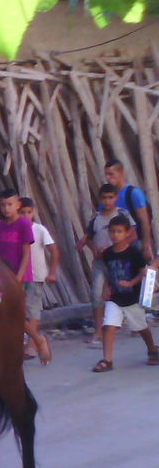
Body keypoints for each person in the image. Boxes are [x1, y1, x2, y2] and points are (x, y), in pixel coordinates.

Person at [93, 215, 159, 372]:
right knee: (108, 325)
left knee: (141, 326)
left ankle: (152, 349)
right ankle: (107, 360)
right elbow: (109, 272)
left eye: (119, 231)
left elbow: (143, 272)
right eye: (112, 231)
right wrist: (106, 288)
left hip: (132, 298)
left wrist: (131, 283)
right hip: (115, 297)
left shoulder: (134, 253)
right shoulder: (108, 253)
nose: (115, 235)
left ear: (128, 233)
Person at [77, 184, 135, 344]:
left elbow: (133, 235)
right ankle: (98, 332)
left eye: (111, 197)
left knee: (124, 292)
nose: (108, 201)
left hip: (119, 262)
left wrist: (112, 248)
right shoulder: (96, 218)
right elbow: (87, 238)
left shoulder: (122, 215)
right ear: (100, 199)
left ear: (116, 198)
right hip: (101, 263)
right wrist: (94, 249)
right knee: (96, 294)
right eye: (104, 198)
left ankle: (134, 325)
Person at [18, 197, 57, 364]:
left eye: (29, 212)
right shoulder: (15, 230)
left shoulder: (39, 230)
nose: (26, 215)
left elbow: (54, 251)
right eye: (22, 212)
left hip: (36, 276)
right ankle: (34, 341)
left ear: (33, 212)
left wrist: (52, 272)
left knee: (33, 311)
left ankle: (31, 345)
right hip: (18, 276)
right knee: (20, 312)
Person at [104, 159, 152, 260]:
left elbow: (145, 221)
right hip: (115, 248)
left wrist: (146, 245)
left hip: (135, 244)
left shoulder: (133, 194)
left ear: (120, 172)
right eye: (106, 175)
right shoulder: (107, 198)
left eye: (111, 174)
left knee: (145, 273)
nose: (108, 178)